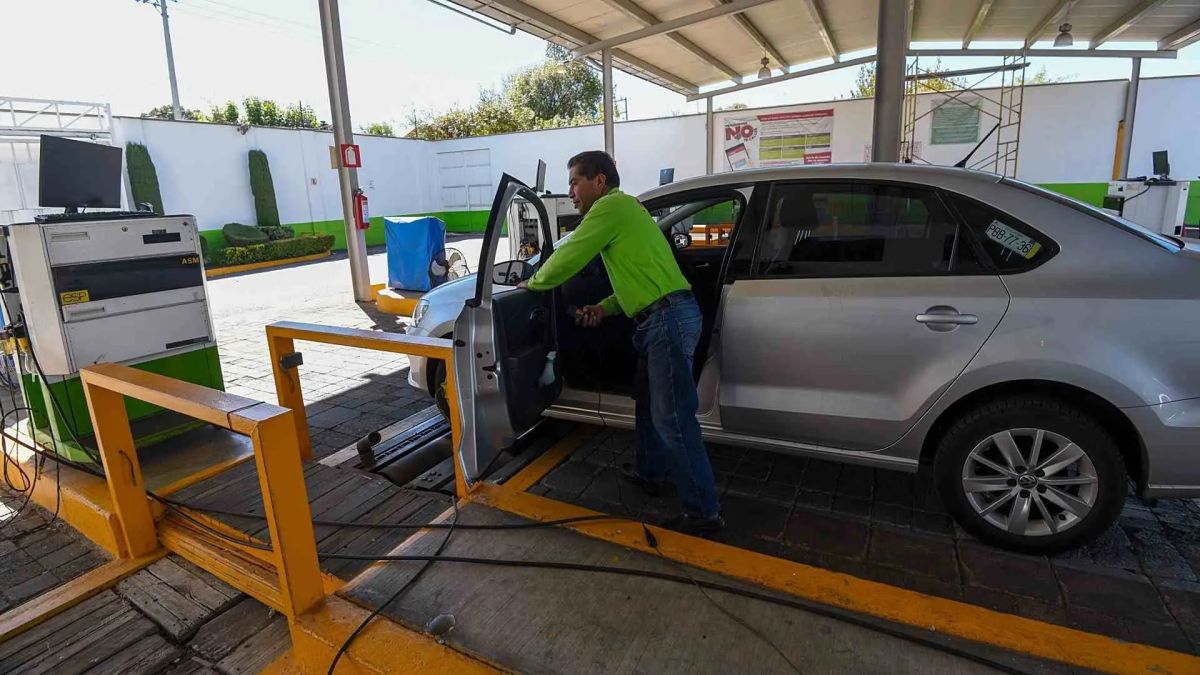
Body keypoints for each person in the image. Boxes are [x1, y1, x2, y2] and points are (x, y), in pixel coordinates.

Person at [519, 151, 723, 534]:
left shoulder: (610, 207)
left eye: (575, 182)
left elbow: (571, 255)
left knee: (673, 418)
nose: (570, 191)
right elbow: (640, 278)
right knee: (647, 403)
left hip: (666, 320)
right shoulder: (626, 210)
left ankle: (703, 513)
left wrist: (533, 283)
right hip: (660, 316)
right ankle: (651, 473)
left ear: (599, 181)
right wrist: (605, 308)